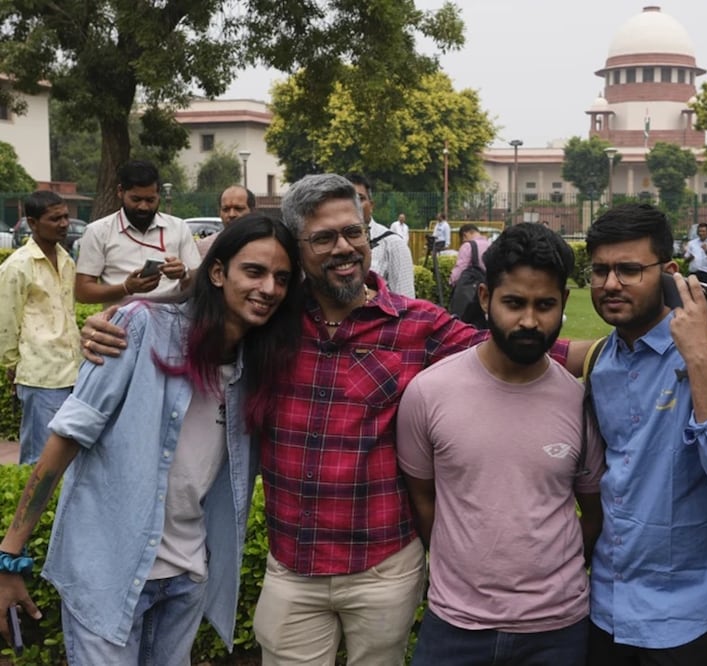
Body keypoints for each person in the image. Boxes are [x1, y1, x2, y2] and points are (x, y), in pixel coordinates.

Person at [77, 173, 588, 665]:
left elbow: (523, 344)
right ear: (298, 248)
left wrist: (640, 348)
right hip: (292, 569)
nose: (344, 247)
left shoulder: (416, 325)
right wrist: (118, 317)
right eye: (323, 238)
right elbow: (201, 311)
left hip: (384, 568)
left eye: (353, 232)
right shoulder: (271, 315)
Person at [0, 214, 303, 664]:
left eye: (281, 278)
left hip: (188, 576)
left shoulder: (258, 369)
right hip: (109, 571)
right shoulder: (140, 329)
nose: (269, 289)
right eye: (254, 271)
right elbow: (67, 437)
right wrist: (9, 555)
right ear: (217, 272)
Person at [398, 223, 604, 665]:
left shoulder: (581, 402)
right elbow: (423, 499)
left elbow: (595, 511)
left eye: (544, 305)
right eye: (514, 303)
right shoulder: (428, 393)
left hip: (558, 630)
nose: (529, 320)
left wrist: (550, 576)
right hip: (454, 626)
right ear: (487, 298)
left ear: (563, 304)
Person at [583, 203, 707, 664]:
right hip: (605, 603)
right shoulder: (600, 363)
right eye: (599, 270)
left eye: (629, 269)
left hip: (692, 612)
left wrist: (700, 355)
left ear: (668, 271)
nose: (610, 284)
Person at [0, 191, 80, 465]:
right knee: (39, 460)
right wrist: (12, 364)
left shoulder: (67, 260)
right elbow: (6, 320)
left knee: (69, 457)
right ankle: (32, 510)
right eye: (54, 218)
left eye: (66, 217)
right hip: (40, 375)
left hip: (73, 372)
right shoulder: (19, 265)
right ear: (32, 223)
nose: (63, 223)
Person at [75, 160, 202, 304]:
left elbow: (199, 282)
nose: (143, 207)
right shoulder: (98, 231)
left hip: (171, 319)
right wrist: (126, 288)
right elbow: (82, 292)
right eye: (135, 199)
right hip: (121, 322)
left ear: (158, 194)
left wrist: (184, 273)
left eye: (150, 200)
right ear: (120, 192)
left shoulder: (178, 227)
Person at [347, 173, 416, 297]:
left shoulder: (393, 244)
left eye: (359, 198)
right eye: (346, 199)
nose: (353, 205)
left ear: (371, 205)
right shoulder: (331, 246)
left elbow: (405, 303)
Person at [197, 185, 256, 256]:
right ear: (219, 212)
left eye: (238, 208)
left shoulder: (266, 244)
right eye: (226, 209)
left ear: (252, 211)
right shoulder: (205, 248)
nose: (231, 214)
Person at [683, 221, 707, 286]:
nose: (701, 233)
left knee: (705, 294)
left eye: (703, 231)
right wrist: (690, 257)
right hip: (693, 273)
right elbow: (685, 260)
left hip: (706, 274)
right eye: (699, 231)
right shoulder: (692, 243)